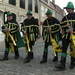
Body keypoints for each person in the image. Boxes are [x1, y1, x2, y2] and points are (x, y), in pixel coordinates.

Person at [55, 2, 75, 70]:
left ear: (71, 8)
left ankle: (72, 63)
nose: (67, 10)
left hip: (74, 36)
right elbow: (61, 25)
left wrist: (73, 30)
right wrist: (66, 27)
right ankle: (62, 64)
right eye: (66, 9)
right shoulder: (65, 18)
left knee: (73, 49)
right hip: (66, 36)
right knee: (64, 49)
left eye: (68, 8)